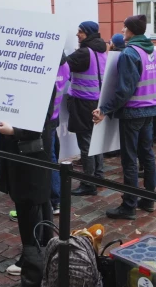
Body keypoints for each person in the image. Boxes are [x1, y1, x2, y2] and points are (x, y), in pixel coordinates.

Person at [93, 14, 156, 220]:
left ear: (132, 30)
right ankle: (148, 199)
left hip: (133, 113)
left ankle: (129, 205)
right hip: (151, 110)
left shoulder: (130, 54)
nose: (122, 31)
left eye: (124, 28)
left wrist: (104, 109)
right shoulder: (154, 52)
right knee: (147, 154)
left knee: (130, 159)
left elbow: (125, 90)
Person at [0, 88, 56, 281]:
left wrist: (13, 131)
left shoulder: (40, 79)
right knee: (38, 201)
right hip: (30, 150)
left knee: (29, 203)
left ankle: (31, 260)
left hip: (29, 150)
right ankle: (45, 252)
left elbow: (39, 121)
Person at [66, 21, 107, 197]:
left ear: (88, 33)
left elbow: (63, 64)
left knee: (86, 145)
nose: (77, 35)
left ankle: (89, 183)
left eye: (80, 32)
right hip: (98, 101)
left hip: (83, 103)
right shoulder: (101, 49)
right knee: (96, 142)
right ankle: (98, 176)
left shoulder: (83, 53)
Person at [49, 54, 69, 214]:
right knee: (53, 152)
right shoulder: (65, 65)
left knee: (50, 158)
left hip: (45, 119)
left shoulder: (48, 64)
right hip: (54, 115)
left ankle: (56, 201)